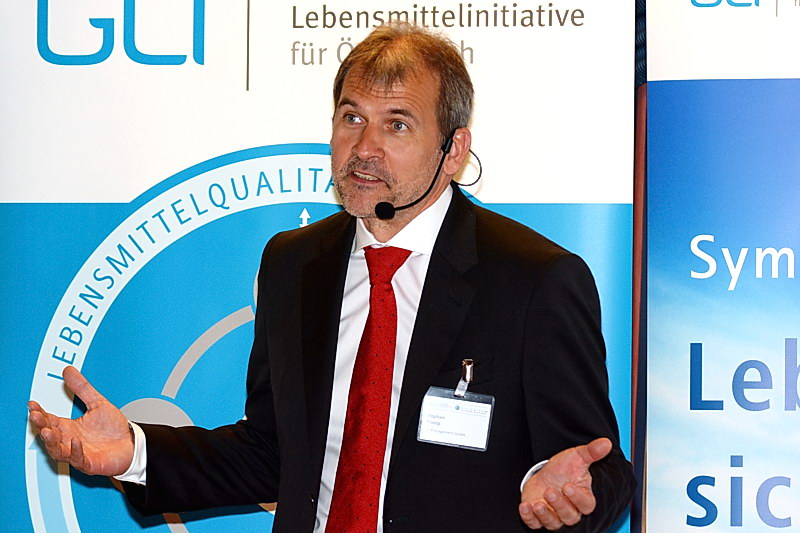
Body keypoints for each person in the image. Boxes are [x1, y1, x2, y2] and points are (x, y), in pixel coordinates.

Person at [29, 22, 634, 532]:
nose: (364, 147)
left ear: (453, 150)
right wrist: (136, 452)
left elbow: (603, 472)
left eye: (397, 124)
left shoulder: (534, 280)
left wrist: (556, 490)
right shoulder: (295, 264)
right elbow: (272, 453)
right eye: (351, 117)